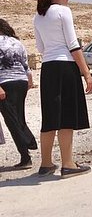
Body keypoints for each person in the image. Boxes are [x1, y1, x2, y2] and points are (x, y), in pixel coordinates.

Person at [33, 0, 92, 178]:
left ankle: (46, 163)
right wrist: (86, 73)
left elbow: (41, 48)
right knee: (66, 116)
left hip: (48, 68)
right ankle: (68, 164)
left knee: (50, 117)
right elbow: (73, 45)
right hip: (65, 67)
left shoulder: (38, 16)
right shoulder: (63, 12)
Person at [0, 18, 37, 169]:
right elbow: (25, 65)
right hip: (21, 82)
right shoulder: (18, 43)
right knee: (19, 116)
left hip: (4, 83)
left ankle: (27, 149)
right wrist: (29, 81)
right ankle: (27, 150)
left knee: (11, 120)